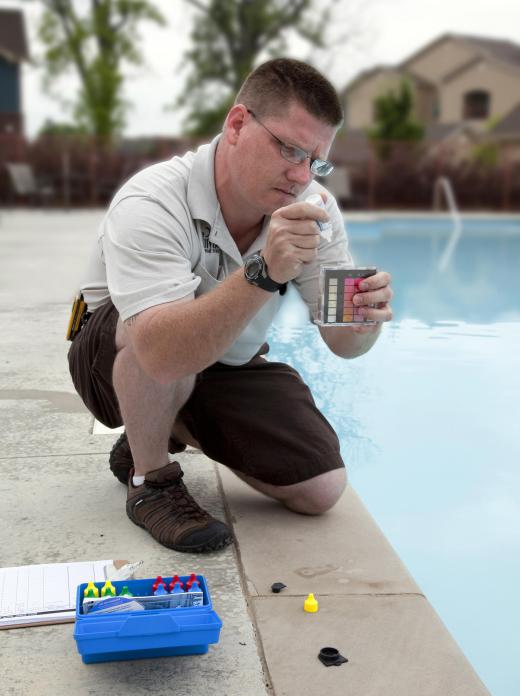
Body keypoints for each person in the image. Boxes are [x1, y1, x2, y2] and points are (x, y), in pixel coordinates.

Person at [68, 58, 393, 554]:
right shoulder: (152, 201)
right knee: (158, 340)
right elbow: (159, 352)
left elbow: (343, 342)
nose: (301, 174)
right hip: (116, 357)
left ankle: (160, 423)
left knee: (320, 489)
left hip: (222, 359)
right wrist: (263, 270)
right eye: (289, 148)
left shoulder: (317, 210)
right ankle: (150, 478)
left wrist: (364, 319)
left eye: (315, 161)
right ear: (238, 124)